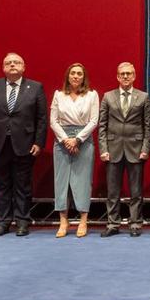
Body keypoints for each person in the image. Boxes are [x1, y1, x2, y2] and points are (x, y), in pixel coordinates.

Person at [0, 53, 47, 237]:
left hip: (25, 144)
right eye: (8, 63)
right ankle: (2, 222)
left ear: (23, 67)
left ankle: (22, 221)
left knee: (22, 185)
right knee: (0, 185)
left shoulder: (35, 87)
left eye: (16, 62)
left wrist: (39, 142)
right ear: (3, 68)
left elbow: (41, 119)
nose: (12, 65)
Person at [98, 62, 150, 237]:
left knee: (136, 191)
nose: (126, 76)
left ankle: (135, 224)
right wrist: (103, 149)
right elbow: (102, 125)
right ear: (117, 77)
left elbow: (147, 126)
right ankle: (113, 224)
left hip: (136, 149)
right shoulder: (107, 97)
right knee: (113, 192)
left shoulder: (143, 97)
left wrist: (145, 148)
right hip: (112, 150)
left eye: (129, 73)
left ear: (134, 76)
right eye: (122, 74)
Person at [49, 63, 99, 238]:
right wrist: (65, 140)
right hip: (62, 140)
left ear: (83, 77)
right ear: (68, 76)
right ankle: (63, 221)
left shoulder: (92, 95)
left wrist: (77, 139)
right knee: (61, 181)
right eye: (73, 73)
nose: (76, 76)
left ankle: (83, 221)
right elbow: (53, 121)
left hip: (83, 141)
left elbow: (94, 121)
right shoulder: (58, 95)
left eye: (79, 73)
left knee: (83, 181)